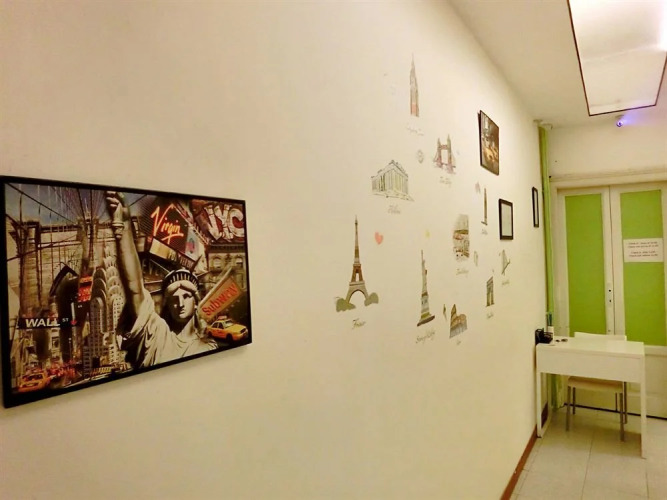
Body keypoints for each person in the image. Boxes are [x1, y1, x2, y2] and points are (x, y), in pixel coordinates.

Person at [105, 191, 217, 368]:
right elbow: (134, 287)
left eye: (186, 296)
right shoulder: (157, 335)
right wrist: (124, 227)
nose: (180, 304)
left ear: (196, 302)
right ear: (167, 305)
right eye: (174, 299)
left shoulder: (209, 347)